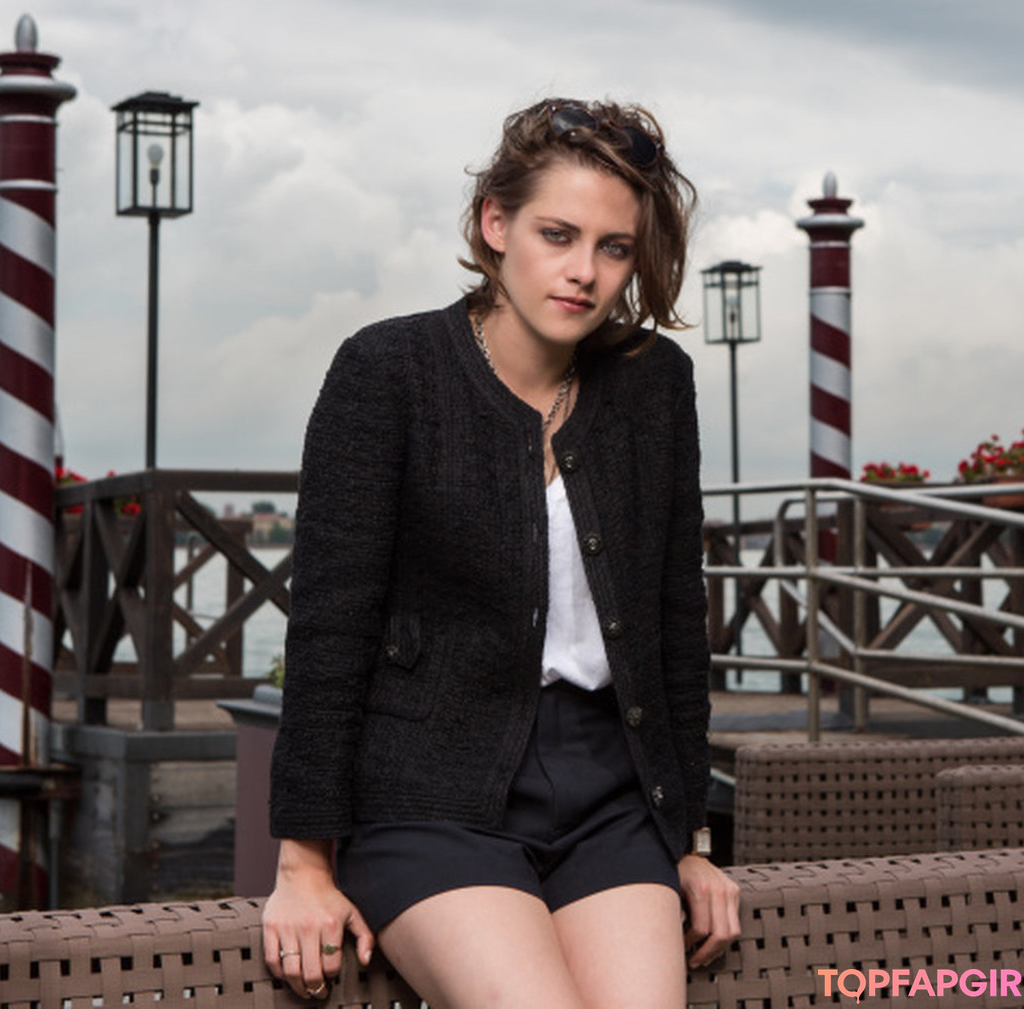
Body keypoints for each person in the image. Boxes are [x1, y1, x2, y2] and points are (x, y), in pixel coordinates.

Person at [262, 97, 741, 1008]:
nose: (584, 272)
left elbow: (676, 618)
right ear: (495, 223)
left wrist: (691, 842)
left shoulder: (654, 384)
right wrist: (303, 865)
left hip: (610, 798)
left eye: (614, 247)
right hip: (430, 796)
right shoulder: (388, 372)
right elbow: (330, 624)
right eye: (557, 235)